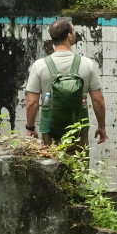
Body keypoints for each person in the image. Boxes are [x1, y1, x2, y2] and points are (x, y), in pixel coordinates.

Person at [23, 17, 107, 146]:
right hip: (78, 129)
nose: (75, 33)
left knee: (50, 163)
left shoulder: (40, 65)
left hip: (50, 128)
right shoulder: (87, 64)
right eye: (73, 30)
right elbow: (98, 101)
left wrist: (30, 128)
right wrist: (101, 126)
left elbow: (31, 102)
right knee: (78, 164)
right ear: (69, 36)